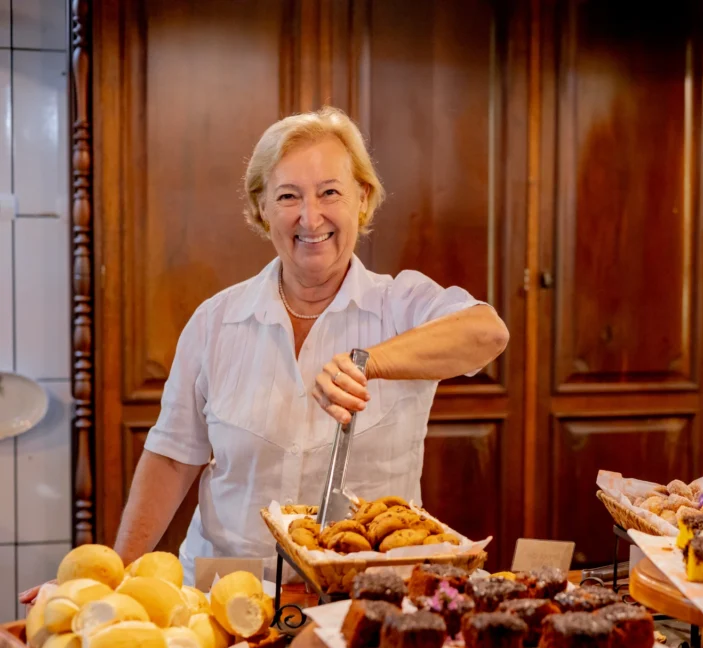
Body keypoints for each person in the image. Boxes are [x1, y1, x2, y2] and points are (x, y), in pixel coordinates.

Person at [22, 106, 508, 596]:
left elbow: (487, 333)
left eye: (329, 192)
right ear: (261, 208)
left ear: (362, 198)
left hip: (362, 599)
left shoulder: (401, 305)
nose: (309, 216)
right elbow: (172, 459)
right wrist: (113, 581)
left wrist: (370, 361)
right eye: (288, 196)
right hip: (224, 594)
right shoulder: (215, 321)